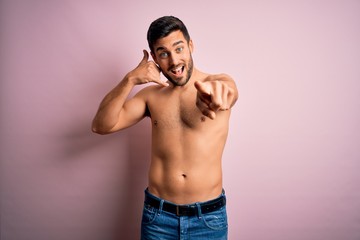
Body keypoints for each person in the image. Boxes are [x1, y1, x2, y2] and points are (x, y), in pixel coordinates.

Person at [92, 16, 238, 240]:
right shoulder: (151, 96)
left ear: (190, 46)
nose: (174, 60)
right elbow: (101, 125)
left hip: (207, 219)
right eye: (163, 53)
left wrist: (217, 94)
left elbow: (227, 90)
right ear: (155, 59)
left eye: (179, 48)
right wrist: (130, 79)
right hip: (158, 218)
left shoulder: (216, 82)